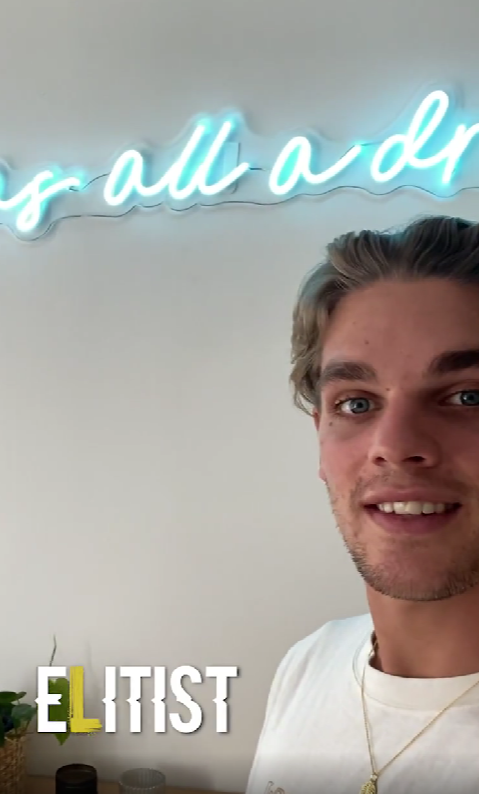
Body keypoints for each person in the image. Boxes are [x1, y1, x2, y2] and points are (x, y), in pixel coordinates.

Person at [245, 215, 479, 794]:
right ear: (320, 439)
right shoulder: (309, 663)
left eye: (468, 396)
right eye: (356, 403)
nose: (394, 446)